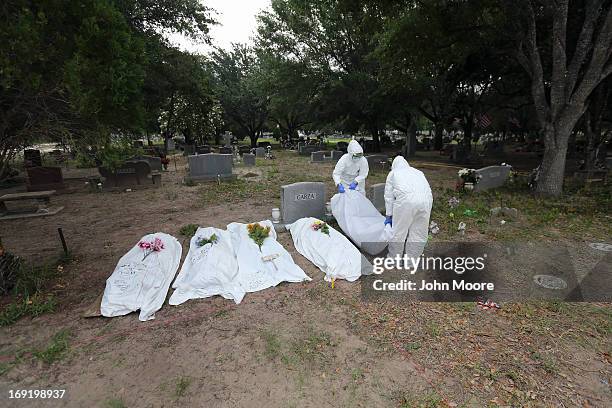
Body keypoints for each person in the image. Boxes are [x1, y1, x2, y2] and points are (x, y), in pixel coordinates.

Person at [383, 156, 433, 259]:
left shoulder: (393, 173)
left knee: (399, 232)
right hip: (426, 200)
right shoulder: (418, 172)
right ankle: (412, 259)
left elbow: (389, 197)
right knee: (419, 232)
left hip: (406, 201)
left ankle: (394, 259)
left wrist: (389, 215)